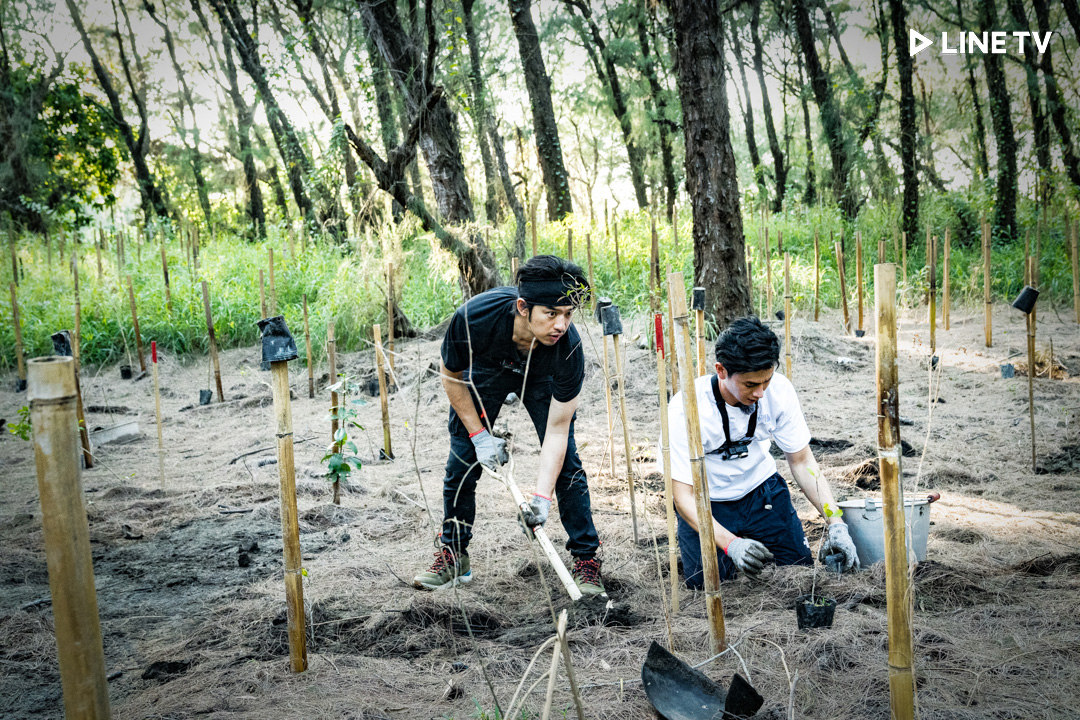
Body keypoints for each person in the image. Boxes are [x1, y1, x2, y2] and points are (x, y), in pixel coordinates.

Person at [413, 255, 605, 596]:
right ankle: (454, 555)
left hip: (542, 375)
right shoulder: (475, 317)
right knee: (462, 459)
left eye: (568, 314)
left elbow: (557, 432)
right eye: (551, 313)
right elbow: (451, 375)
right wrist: (479, 436)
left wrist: (541, 499)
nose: (561, 325)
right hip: (488, 367)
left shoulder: (568, 349)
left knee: (568, 465)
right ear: (522, 307)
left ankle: (586, 561)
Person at [663, 316, 859, 587]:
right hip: (708, 502)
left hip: (762, 494)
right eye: (750, 385)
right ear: (721, 370)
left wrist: (835, 522)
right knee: (705, 587)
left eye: (766, 381)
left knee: (799, 573)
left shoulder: (779, 391)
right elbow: (682, 496)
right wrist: (731, 544)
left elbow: (803, 461)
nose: (761, 393)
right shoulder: (686, 408)